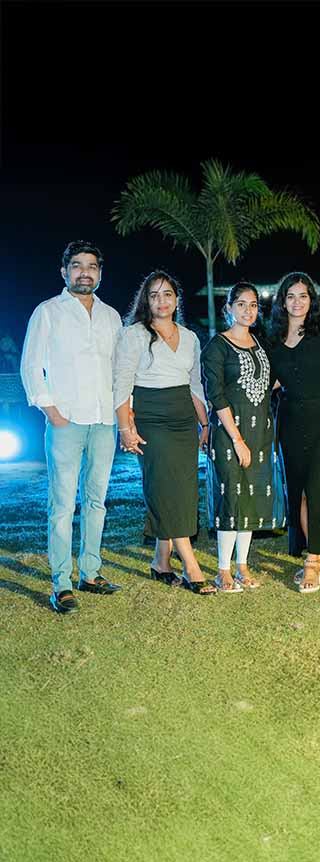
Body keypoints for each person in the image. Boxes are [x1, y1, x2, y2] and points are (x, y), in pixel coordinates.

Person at [20, 240, 123, 613]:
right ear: (64, 271)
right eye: (77, 266)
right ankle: (61, 582)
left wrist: (121, 415)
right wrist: (53, 413)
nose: (85, 272)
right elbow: (31, 365)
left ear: (100, 273)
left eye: (92, 266)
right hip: (66, 422)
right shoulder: (49, 312)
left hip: (104, 421)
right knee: (63, 505)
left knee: (96, 501)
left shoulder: (111, 316)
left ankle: (90, 573)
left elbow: (119, 369)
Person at [113, 270, 216, 595]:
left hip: (183, 418)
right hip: (150, 417)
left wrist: (205, 424)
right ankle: (191, 565)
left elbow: (196, 384)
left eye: (167, 294)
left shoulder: (190, 337)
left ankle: (161, 562)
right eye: (154, 295)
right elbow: (121, 384)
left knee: (182, 489)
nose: (161, 301)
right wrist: (125, 428)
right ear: (146, 300)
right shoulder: (133, 335)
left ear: (177, 299)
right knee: (162, 486)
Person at [201, 282, 284, 592]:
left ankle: (242, 566)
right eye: (241, 304)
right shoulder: (217, 346)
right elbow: (216, 394)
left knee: (250, 497)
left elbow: (271, 381)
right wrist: (236, 439)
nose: (248, 310)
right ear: (229, 308)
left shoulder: (261, 345)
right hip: (229, 433)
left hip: (260, 432)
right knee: (231, 495)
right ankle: (223, 570)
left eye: (253, 305)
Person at [269, 272, 320, 594]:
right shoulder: (274, 337)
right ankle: (318, 553)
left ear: (311, 300)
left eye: (303, 296)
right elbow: (272, 381)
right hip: (290, 422)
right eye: (291, 296)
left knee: (319, 489)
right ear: (282, 301)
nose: (297, 302)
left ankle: (313, 560)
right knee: (299, 491)